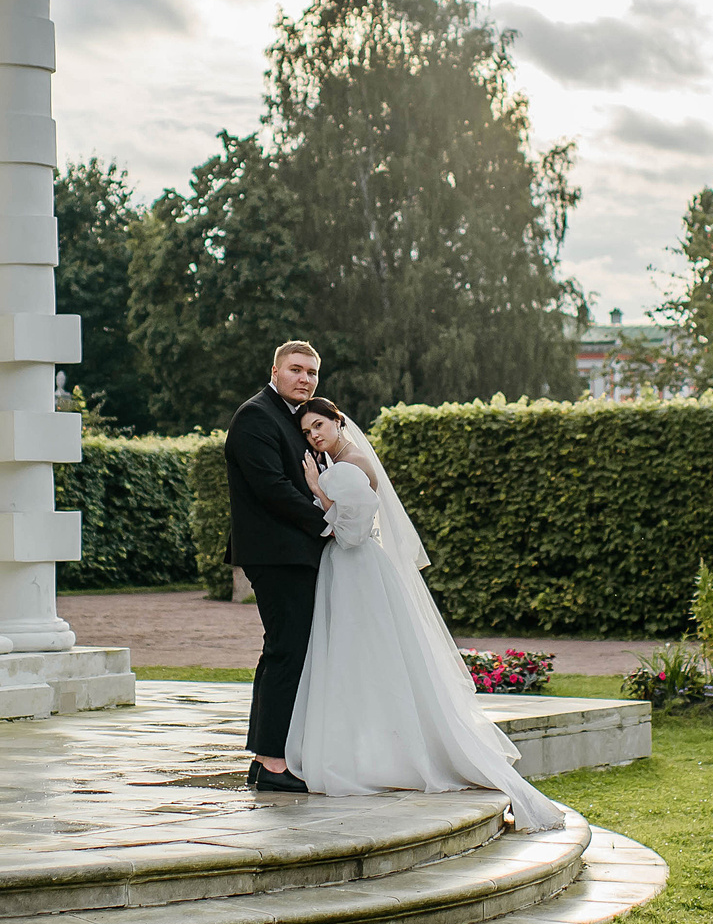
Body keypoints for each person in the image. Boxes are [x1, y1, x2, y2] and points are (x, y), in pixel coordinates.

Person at [280, 396, 565, 832]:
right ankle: (377, 748)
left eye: (319, 425)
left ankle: (369, 756)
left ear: (339, 422)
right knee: (372, 661)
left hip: (354, 569)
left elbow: (352, 533)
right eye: (307, 432)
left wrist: (318, 490)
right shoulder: (349, 460)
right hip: (358, 571)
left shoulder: (343, 468)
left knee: (354, 658)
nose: (314, 435)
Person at [224, 340, 333, 793]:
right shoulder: (256, 416)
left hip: (293, 552)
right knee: (287, 651)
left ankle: (267, 757)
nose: (305, 378)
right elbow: (272, 489)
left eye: (311, 372)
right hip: (277, 554)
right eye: (296, 369)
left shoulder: (296, 420)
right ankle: (272, 764)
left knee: (284, 651)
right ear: (275, 369)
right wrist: (329, 522)